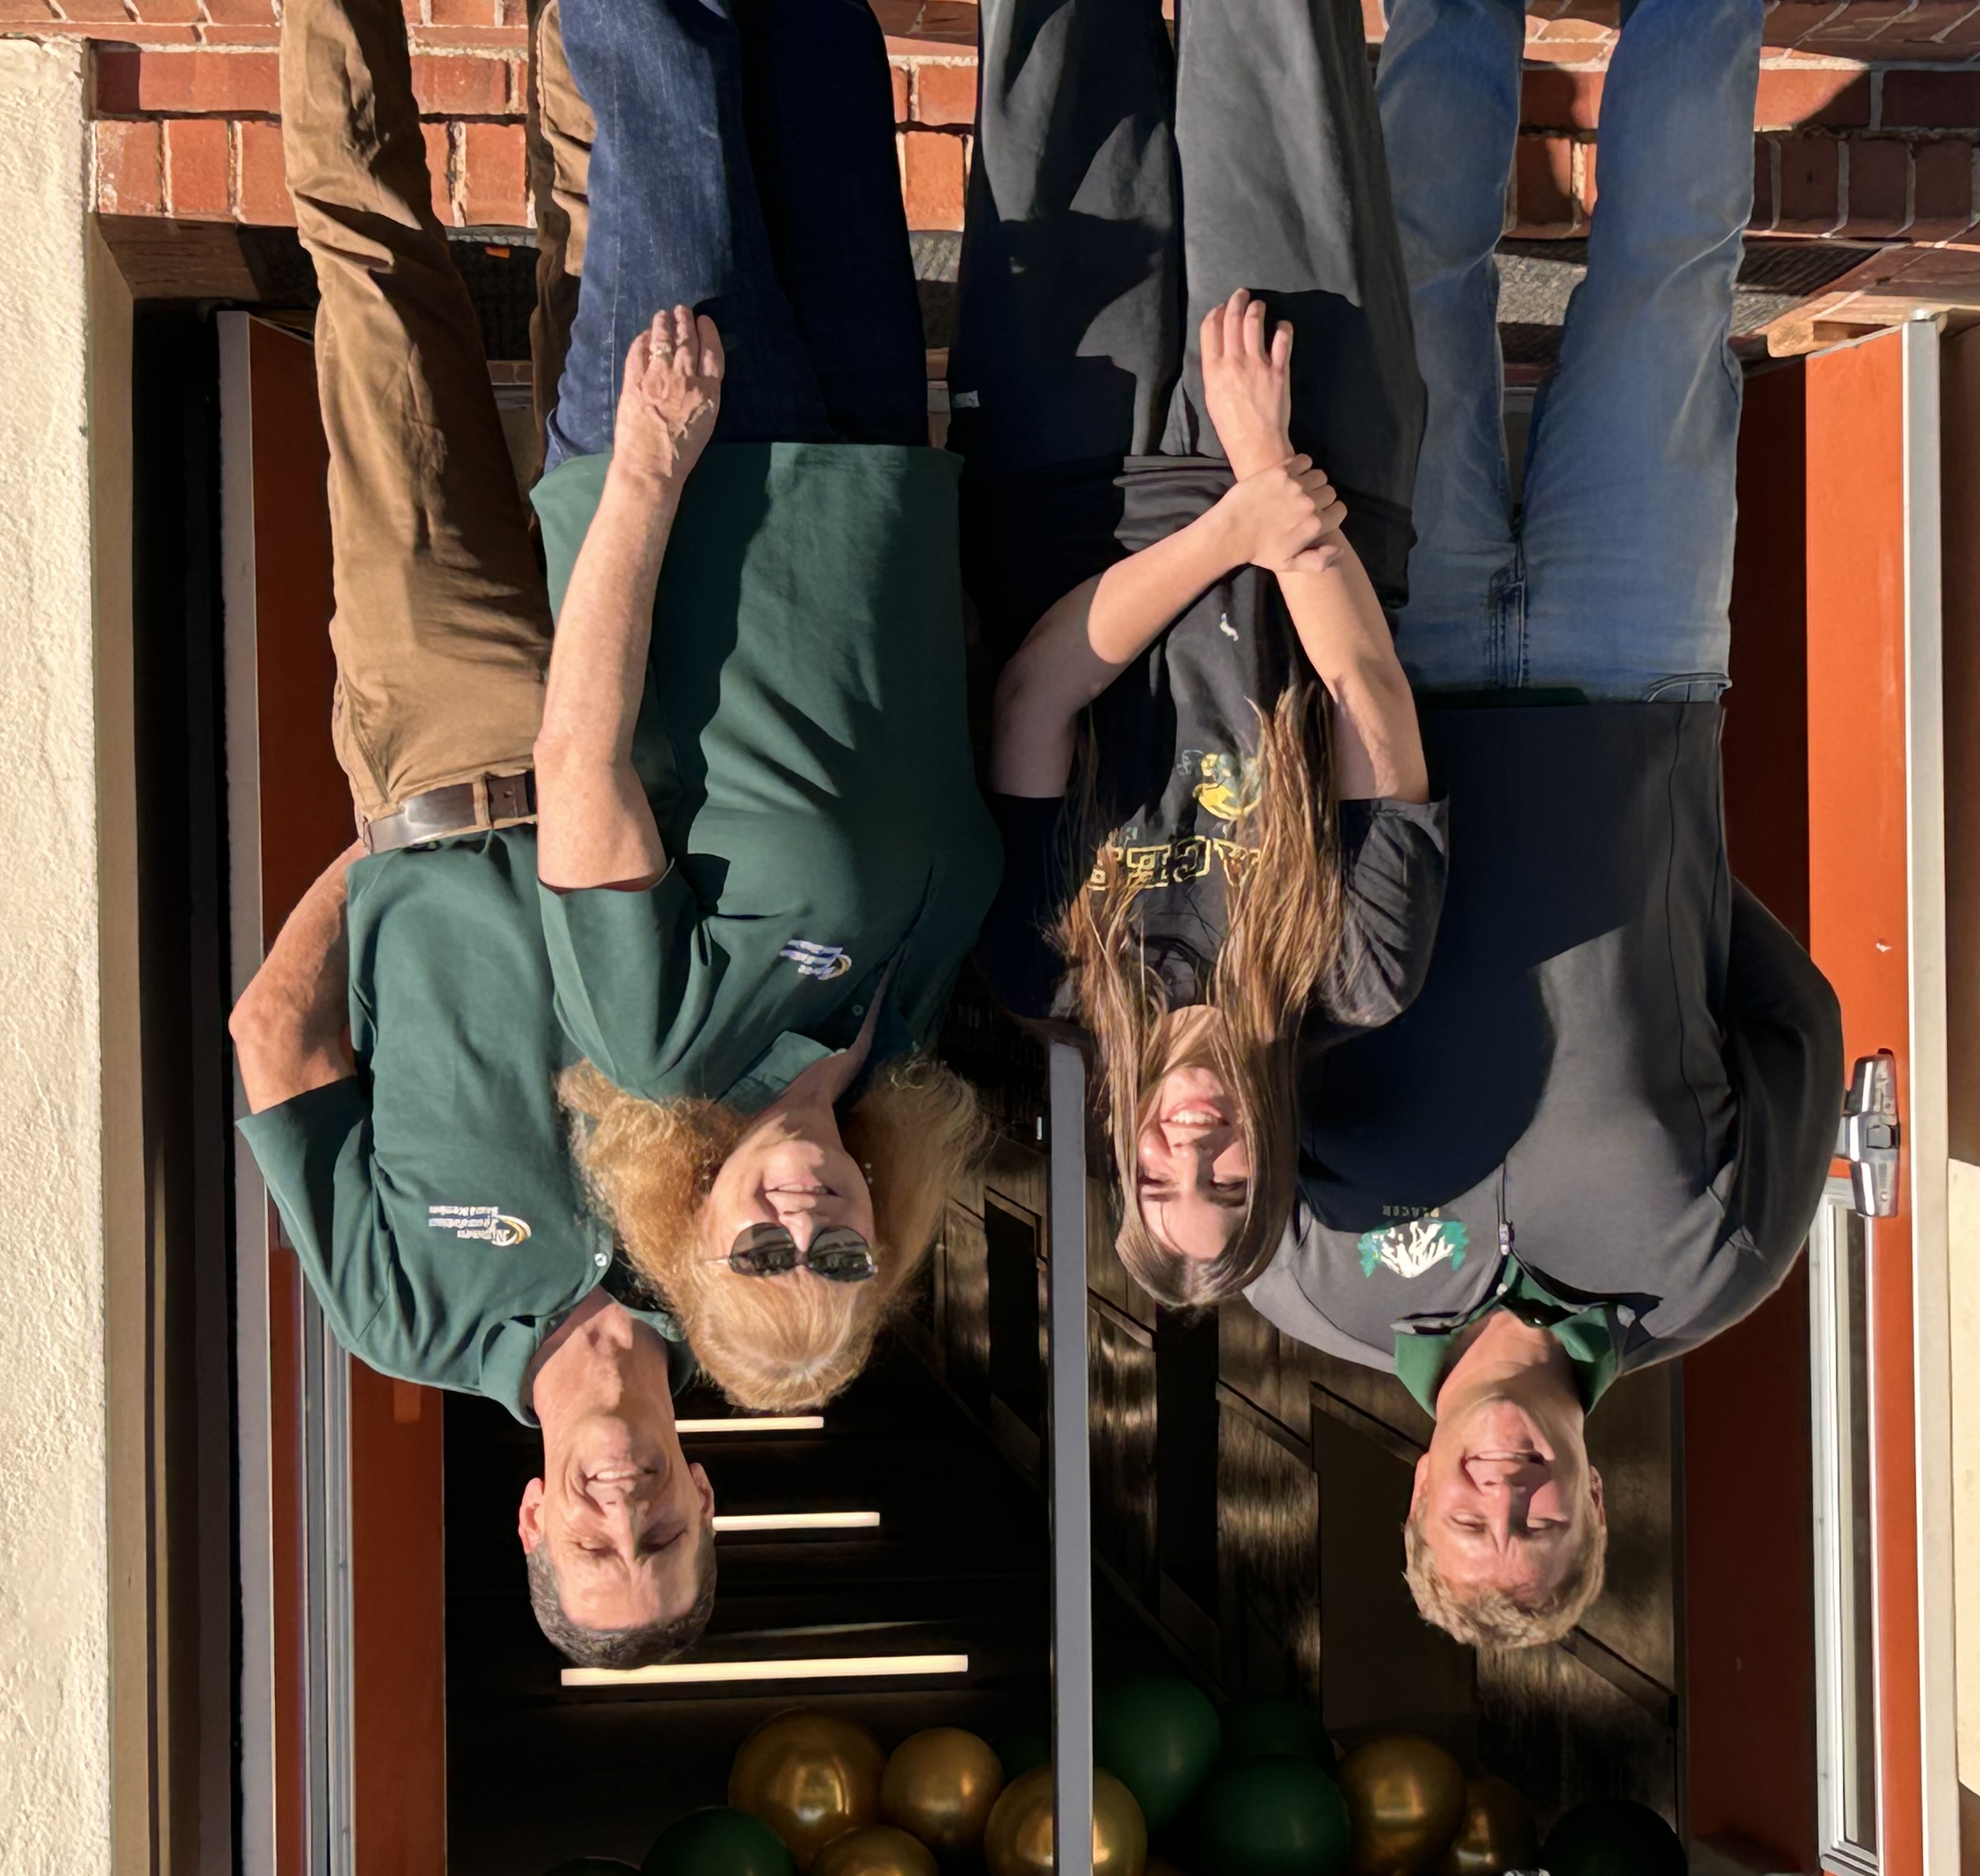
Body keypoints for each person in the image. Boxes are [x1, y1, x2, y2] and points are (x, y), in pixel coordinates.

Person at [1244, 0, 1847, 1648]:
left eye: (1473, 1519)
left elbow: (1249, 1033)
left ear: (1419, 1489)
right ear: (1597, 1501)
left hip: (1403, 664)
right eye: (1544, 1522)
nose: (1508, 1490)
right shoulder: (1713, 1271)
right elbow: (1796, 1022)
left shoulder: (1311, 1280)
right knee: (1669, 279)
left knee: (1416, 283)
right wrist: (1669, 874)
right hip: (1638, 660)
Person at [229, 0, 713, 1669]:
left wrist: (390, 838)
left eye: (595, 1546)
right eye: (657, 1537)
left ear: (533, 1522)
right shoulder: (739, 1275)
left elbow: (275, 1038)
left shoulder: (400, 1317)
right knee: (610, 244)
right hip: (645, 711)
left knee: (377, 280)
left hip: (436, 741)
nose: (621, 1512)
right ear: (700, 1499)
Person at [526, 0, 1000, 1412]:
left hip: (703, 464)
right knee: (820, 64)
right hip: (866, 483)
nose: (806, 1220)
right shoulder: (902, 1032)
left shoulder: (657, 1046)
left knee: (664, 65)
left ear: (693, 1233)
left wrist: (645, 473)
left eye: (762, 1252)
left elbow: (579, 755)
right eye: (840, 1259)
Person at [955, 0, 1448, 1309]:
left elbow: (1034, 692)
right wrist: (1270, 471)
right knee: (1274, 32)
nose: (1195, 1155)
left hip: (1073, 468)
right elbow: (1368, 693)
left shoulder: (1044, 961)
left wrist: (1237, 512)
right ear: (1272, 1160)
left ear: (1121, 1153)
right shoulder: (1355, 968)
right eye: (1230, 1188)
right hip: (1313, 452)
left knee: (1051, 54)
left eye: (1159, 1185)